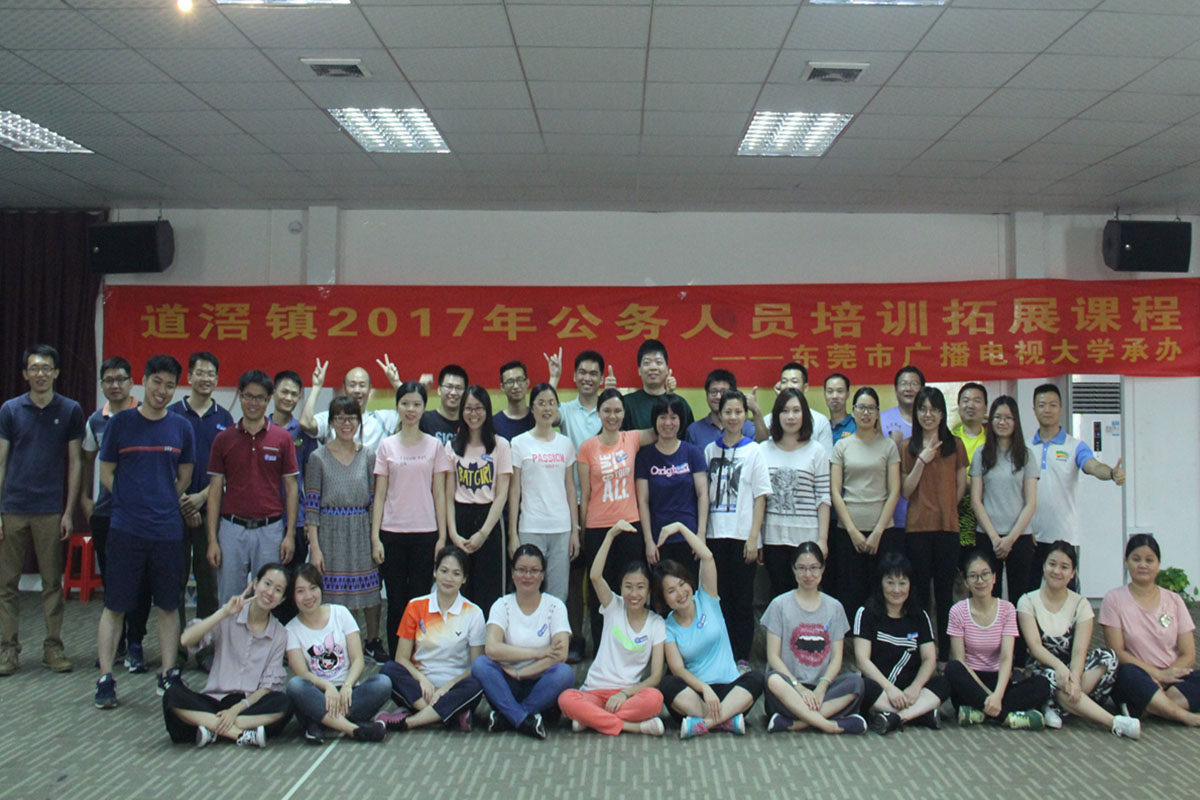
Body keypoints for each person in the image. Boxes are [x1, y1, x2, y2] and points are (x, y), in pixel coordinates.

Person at [94, 355, 196, 707]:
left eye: (170, 385)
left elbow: (184, 476)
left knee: (167, 605)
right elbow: (106, 471)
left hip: (167, 531)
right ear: (144, 380)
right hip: (126, 529)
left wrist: (164, 499)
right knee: (115, 605)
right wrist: (127, 499)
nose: (162, 391)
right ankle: (105, 678)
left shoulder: (181, 427)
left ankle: (168, 674)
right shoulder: (121, 423)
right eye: (157, 382)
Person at [0, 344, 84, 676]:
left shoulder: (70, 409)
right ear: (25, 373)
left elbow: (76, 462)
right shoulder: (10, 410)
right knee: (7, 584)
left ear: (56, 372)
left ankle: (53, 647)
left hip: (50, 508)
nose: (40, 374)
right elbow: (1, 461)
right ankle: (8, 650)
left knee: (52, 582)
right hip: (13, 507)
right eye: (34, 368)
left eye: (46, 368)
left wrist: (68, 511)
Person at [162, 563, 292, 748]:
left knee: (284, 703)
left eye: (278, 590)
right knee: (172, 694)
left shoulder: (280, 633)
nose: (270, 592)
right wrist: (223, 613)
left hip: (248, 705)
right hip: (214, 700)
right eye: (267, 584)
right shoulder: (230, 614)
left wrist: (235, 710)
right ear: (255, 583)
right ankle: (239, 734)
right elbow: (186, 639)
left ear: (282, 599)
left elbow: (266, 688)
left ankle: (209, 727)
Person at [1019, 541, 1139, 737]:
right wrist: (1060, 669)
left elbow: (1079, 651)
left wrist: (1074, 677)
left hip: (1076, 673)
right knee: (1051, 679)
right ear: (1043, 566)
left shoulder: (1081, 604)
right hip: (1043, 671)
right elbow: (1035, 647)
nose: (1057, 571)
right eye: (1052, 564)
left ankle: (1056, 707)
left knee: (1108, 657)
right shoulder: (1027, 601)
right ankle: (1115, 722)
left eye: (1064, 567)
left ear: (1073, 573)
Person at [655, 522, 764, 738]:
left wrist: (681, 528)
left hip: (730, 688)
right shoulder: (668, 626)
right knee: (667, 684)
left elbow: (707, 557)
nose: (680, 593)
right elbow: (678, 669)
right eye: (671, 591)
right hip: (697, 694)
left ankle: (704, 723)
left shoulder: (707, 598)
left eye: (682, 584)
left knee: (756, 678)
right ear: (664, 598)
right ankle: (727, 720)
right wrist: (704, 689)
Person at [558, 520, 666, 736]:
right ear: (621, 588)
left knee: (655, 699)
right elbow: (595, 576)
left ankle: (591, 720)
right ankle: (632, 726)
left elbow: (654, 677)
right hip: (594, 691)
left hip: (628, 694)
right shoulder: (613, 606)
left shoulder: (657, 623)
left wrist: (625, 694)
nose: (633, 594)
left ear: (648, 591)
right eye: (628, 587)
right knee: (566, 699)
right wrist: (610, 535)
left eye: (640, 587)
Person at [371, 380, 451, 656]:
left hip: (425, 534)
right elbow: (380, 495)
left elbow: (439, 494)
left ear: (424, 408)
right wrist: (375, 537)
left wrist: (442, 537)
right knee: (395, 601)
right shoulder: (386, 446)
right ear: (397, 406)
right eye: (405, 403)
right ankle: (397, 659)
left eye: (417, 404)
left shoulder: (434, 446)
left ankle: (418, 656)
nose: (411, 409)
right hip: (391, 534)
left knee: (420, 600)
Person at [205, 370, 299, 604]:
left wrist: (289, 534)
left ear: (269, 400)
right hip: (231, 529)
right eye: (248, 396)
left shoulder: (282, 438)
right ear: (240, 396)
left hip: (270, 530)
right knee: (230, 600)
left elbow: (291, 488)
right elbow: (215, 491)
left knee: (266, 598)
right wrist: (212, 540)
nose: (253, 403)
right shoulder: (223, 439)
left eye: (259, 398)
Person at [81, 356, 149, 672]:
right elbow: (86, 461)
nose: (115, 385)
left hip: (143, 514)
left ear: (132, 382)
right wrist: (86, 499)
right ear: (102, 385)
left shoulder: (146, 415)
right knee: (113, 580)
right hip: (108, 513)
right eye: (109, 380)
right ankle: (116, 643)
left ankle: (136, 642)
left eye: (121, 379)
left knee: (142, 581)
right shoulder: (96, 420)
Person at [304, 395, 383, 659]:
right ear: (331, 422)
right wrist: (315, 548)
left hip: (361, 530)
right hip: (329, 532)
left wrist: (375, 538)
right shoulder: (318, 457)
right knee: (331, 592)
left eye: (351, 418)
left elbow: (375, 500)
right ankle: (333, 644)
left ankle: (372, 641)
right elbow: (312, 506)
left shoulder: (368, 455)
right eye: (340, 418)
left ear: (359, 422)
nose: (346, 423)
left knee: (369, 589)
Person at [471, 543, 575, 739]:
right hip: (506, 684)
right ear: (512, 573)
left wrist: (520, 673)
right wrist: (539, 653)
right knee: (480, 665)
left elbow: (560, 655)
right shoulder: (502, 605)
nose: (527, 576)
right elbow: (492, 649)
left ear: (543, 575)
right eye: (521, 570)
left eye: (534, 571)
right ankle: (524, 719)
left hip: (541, 683)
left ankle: (509, 716)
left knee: (564, 673)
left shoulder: (555, 606)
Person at [578, 388, 656, 650]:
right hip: (597, 528)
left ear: (624, 413)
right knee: (601, 591)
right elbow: (585, 493)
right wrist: (582, 531)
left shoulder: (631, 438)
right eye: (607, 411)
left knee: (631, 589)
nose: (612, 416)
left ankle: (631, 647)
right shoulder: (587, 447)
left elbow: (662, 428)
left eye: (617, 411)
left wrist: (668, 393)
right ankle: (603, 649)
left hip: (630, 527)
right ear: (598, 413)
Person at [377, 546, 486, 732]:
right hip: (420, 688)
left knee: (479, 681)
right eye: (443, 571)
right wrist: (422, 680)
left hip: (454, 687)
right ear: (435, 572)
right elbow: (401, 658)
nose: (448, 578)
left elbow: (476, 666)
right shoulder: (415, 606)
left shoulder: (474, 613)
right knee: (389, 670)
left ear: (464, 579)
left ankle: (411, 721)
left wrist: (446, 688)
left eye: (456, 574)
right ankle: (447, 714)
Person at [762, 542, 866, 734]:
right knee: (773, 679)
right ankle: (829, 725)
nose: (808, 574)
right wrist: (799, 688)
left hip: (822, 689)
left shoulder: (835, 607)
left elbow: (837, 657)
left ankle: (795, 723)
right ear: (793, 570)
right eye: (801, 568)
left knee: (856, 683)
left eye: (814, 568)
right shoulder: (779, 605)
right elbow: (773, 657)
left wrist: (821, 687)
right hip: (789, 687)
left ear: (823, 569)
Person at [1029, 384, 1125, 589]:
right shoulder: (1025, 447)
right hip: (1031, 536)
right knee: (1030, 596)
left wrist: (1111, 473)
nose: (1047, 410)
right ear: (1034, 409)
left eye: (1053, 405)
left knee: (1067, 596)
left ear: (1061, 409)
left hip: (1065, 536)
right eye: (1042, 405)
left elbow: (1093, 466)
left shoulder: (1074, 446)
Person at [1100, 534, 1200, 727]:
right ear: (1126, 562)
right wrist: (1156, 675)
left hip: (1173, 678)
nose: (1143, 565)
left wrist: (1167, 676)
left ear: (1158, 564)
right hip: (1137, 677)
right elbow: (1117, 651)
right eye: (1136, 559)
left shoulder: (1174, 600)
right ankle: (1184, 716)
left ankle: (1146, 707)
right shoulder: (1113, 599)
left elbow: (1188, 653)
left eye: (1149, 560)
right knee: (1128, 674)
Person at [285, 564, 391, 743]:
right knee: (295, 686)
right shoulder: (291, 629)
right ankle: (353, 729)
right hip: (317, 693)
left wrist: (348, 686)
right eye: (300, 591)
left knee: (383, 683)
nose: (308, 596)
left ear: (321, 588)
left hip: (348, 693)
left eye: (313, 588)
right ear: (293, 596)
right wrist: (328, 687)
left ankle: (319, 721)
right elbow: (302, 673)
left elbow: (358, 660)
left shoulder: (340, 613)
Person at [704, 388, 771, 670]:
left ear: (745, 415)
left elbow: (760, 497)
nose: (733, 417)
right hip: (714, 537)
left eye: (738, 412)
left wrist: (754, 538)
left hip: (743, 537)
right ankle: (720, 655)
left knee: (743, 599)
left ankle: (741, 655)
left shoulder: (755, 450)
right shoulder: (709, 450)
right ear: (719, 414)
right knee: (718, 599)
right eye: (728, 412)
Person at [944, 550, 1050, 730]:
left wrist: (997, 695)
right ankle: (1006, 717)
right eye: (973, 576)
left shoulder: (1007, 609)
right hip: (970, 681)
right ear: (966, 582)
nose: (980, 581)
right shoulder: (957, 611)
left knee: (1042, 685)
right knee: (953, 668)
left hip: (999, 680)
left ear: (994, 578)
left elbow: (1007, 657)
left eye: (985, 574)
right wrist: (988, 696)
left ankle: (979, 712)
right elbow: (960, 660)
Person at [900, 386, 967, 661]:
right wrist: (921, 461)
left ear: (942, 413)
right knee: (919, 593)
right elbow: (906, 491)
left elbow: (961, 486)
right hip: (917, 528)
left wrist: (946, 505)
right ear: (916, 413)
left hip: (947, 528)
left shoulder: (955, 445)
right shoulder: (908, 446)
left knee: (944, 593)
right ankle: (923, 649)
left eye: (934, 409)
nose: (928, 415)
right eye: (923, 409)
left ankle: (946, 654)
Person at [169, 351, 233, 634]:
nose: (205, 379)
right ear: (189, 376)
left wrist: (202, 497)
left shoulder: (225, 418)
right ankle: (178, 645)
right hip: (174, 509)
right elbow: (164, 463)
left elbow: (230, 468)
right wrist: (183, 500)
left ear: (217, 379)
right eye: (200, 373)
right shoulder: (172, 414)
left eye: (211, 374)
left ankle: (206, 643)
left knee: (209, 582)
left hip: (212, 510)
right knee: (175, 579)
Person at [853, 552, 950, 734]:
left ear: (910, 585)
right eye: (890, 583)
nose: (896, 590)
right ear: (880, 583)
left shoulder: (920, 616)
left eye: (902, 583)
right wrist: (890, 690)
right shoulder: (866, 613)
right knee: (860, 685)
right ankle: (920, 714)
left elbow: (929, 659)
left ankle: (897, 717)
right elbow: (862, 660)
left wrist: (915, 687)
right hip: (880, 689)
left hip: (912, 691)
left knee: (945, 681)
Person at [828, 387, 901, 621]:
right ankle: (851, 643)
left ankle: (879, 638)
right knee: (850, 591)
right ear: (853, 411)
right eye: (861, 407)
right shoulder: (842, 446)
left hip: (883, 533)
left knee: (880, 592)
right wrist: (852, 531)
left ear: (878, 413)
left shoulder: (888, 446)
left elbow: (894, 490)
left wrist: (878, 532)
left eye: (871, 408)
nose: (866, 413)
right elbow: (835, 491)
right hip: (848, 533)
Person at [445, 384, 512, 617]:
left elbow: (502, 494)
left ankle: (490, 637)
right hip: (460, 518)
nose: (473, 414)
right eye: (468, 408)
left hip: (490, 521)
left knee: (490, 589)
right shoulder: (452, 447)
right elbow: (447, 496)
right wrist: (453, 534)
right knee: (459, 587)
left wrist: (483, 533)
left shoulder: (500, 445)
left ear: (487, 410)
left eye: (479, 408)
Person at [509, 383, 578, 604]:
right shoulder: (519, 443)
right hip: (531, 526)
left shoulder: (565, 444)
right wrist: (512, 534)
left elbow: (570, 488)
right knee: (528, 588)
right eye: (541, 403)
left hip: (561, 528)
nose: (547, 408)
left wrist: (575, 531)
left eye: (551, 403)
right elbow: (514, 490)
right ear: (532, 408)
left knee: (559, 594)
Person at [760, 388, 830, 599]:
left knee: (807, 595)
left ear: (805, 415)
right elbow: (759, 499)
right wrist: (758, 539)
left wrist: (822, 539)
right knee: (780, 596)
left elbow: (823, 497)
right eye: (785, 411)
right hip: (773, 538)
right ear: (776, 415)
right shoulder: (763, 449)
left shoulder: (816, 450)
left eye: (796, 411)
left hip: (807, 537)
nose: (790, 416)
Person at [970, 395, 1038, 602]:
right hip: (987, 535)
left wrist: (1010, 539)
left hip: (1019, 536)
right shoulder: (981, 454)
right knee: (988, 597)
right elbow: (975, 500)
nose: (1002, 422)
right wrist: (994, 538)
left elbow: (1031, 503)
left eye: (1008, 418)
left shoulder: (1026, 455)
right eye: (997, 417)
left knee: (1022, 598)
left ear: (1016, 421)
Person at [636, 394, 708, 567]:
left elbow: (703, 494)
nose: (668, 423)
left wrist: (701, 534)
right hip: (659, 539)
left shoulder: (692, 453)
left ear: (681, 421)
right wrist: (648, 541)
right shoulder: (644, 457)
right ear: (655, 420)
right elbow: (643, 501)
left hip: (689, 537)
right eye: (662, 417)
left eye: (673, 417)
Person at [270, 370, 319, 584]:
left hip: (296, 520)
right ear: (273, 392)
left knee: (293, 583)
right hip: (266, 519)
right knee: (268, 581)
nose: (288, 398)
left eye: (294, 394)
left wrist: (309, 520)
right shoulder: (260, 427)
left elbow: (311, 480)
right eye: (284, 392)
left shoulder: (303, 432)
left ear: (299, 397)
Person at [299, 358, 402, 450]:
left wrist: (396, 383)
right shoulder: (332, 418)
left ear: (370, 389)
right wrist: (316, 386)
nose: (357, 390)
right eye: (352, 385)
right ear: (344, 388)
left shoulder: (383, 419)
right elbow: (306, 423)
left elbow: (410, 412)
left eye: (362, 385)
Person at [752, 362, 833, 456]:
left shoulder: (820, 420)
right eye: (784, 382)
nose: (789, 386)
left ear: (805, 387)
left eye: (794, 382)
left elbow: (826, 459)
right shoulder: (769, 419)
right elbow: (762, 449)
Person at [880, 365, 924, 530]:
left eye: (914, 384)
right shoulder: (882, 420)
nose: (908, 388)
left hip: (924, 512)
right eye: (904, 384)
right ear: (895, 389)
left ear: (922, 388)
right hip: (891, 513)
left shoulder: (930, 421)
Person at [619, 339, 694, 435]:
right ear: (639, 370)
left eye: (658, 362)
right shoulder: (626, 404)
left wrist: (669, 396)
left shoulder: (681, 404)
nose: (653, 367)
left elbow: (688, 440)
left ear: (667, 369)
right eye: (647, 363)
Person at [952, 382, 988, 550]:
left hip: (988, 521)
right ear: (959, 406)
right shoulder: (948, 440)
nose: (970, 405)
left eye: (976, 400)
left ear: (985, 408)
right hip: (955, 519)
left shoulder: (993, 441)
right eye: (966, 400)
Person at [685, 369, 754, 451]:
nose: (718, 397)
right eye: (713, 391)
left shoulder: (748, 427)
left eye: (723, 392)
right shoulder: (694, 430)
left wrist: (756, 412)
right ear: (706, 395)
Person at [420, 364, 468, 446]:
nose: (453, 392)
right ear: (439, 390)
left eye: (459, 388)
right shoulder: (424, 419)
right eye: (448, 387)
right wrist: (420, 391)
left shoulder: (470, 423)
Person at [494, 361, 535, 442]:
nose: (516, 386)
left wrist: (554, 378)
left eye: (520, 380)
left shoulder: (537, 417)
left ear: (527, 382)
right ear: (502, 387)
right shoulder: (494, 423)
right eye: (510, 382)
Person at [825, 373, 855, 444]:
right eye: (830, 391)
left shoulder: (857, 426)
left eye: (840, 391)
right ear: (824, 394)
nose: (834, 396)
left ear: (848, 394)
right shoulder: (823, 426)